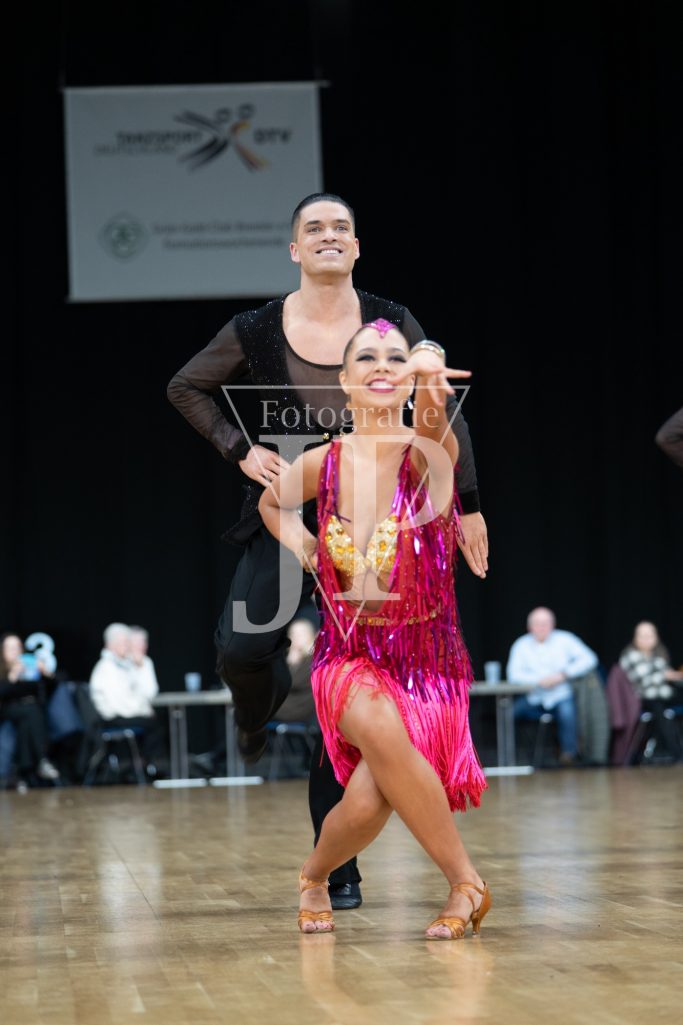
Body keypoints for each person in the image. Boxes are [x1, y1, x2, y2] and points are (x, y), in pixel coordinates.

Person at [167, 192, 489, 910]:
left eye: (341, 226)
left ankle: (337, 871)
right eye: (313, 228)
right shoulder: (257, 327)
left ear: (356, 244)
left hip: (382, 503)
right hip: (301, 496)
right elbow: (185, 386)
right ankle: (254, 711)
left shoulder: (388, 318)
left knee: (345, 696)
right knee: (241, 646)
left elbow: (437, 416)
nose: (328, 235)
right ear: (294, 249)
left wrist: (467, 503)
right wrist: (240, 449)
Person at [259, 319, 489, 938]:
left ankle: (312, 876)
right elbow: (271, 502)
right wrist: (303, 543)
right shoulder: (322, 462)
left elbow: (435, 425)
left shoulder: (425, 455)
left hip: (428, 665)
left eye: (395, 356)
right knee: (381, 730)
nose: (383, 364)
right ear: (344, 380)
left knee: (367, 801)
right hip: (348, 656)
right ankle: (466, 883)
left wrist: (431, 375)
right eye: (367, 357)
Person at [506, 607, 598, 766]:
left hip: (561, 694)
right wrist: (538, 681)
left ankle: (569, 754)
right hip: (534, 696)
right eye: (537, 623)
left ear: (552, 624)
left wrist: (563, 674)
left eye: (545, 623)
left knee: (568, 713)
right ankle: (513, 756)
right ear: (529, 626)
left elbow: (590, 659)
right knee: (508, 714)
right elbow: (513, 675)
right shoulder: (521, 644)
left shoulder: (566, 639)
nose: (541, 627)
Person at [89, 623, 162, 769]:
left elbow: (147, 693)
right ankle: (151, 765)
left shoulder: (122, 665)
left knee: (155, 720)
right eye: (125, 643)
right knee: (153, 724)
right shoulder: (106, 668)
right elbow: (119, 705)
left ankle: (148, 764)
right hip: (113, 719)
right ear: (112, 644)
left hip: (123, 715)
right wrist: (143, 711)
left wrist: (142, 667)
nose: (128, 647)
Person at [0, 633, 60, 788]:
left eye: (17, 647)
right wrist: (13, 675)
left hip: (31, 711)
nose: (15, 651)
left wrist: (45, 673)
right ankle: (42, 760)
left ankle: (24, 771)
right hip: (9, 709)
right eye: (10, 648)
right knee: (32, 712)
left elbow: (53, 686)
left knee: (27, 722)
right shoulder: (4, 671)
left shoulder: (30, 667)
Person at [619, 621, 683, 762]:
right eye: (642, 636)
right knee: (659, 710)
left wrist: (675, 676)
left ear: (656, 637)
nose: (646, 639)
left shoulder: (658, 655)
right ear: (635, 638)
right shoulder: (630, 656)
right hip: (644, 698)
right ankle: (676, 752)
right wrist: (666, 675)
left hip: (664, 695)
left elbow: (668, 676)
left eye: (650, 635)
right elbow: (643, 681)